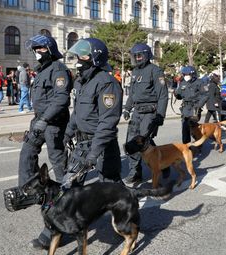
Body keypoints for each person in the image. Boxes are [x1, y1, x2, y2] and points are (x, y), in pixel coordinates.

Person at [19, 34, 72, 249]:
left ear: (49, 49)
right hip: (39, 121)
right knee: (27, 152)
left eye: (40, 48)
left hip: (54, 124)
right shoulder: (42, 71)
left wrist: (45, 120)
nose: (37, 52)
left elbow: (61, 99)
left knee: (60, 170)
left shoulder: (58, 70)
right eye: (35, 49)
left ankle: (60, 222)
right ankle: (28, 190)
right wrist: (38, 121)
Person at [62, 37, 123, 187]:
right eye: (78, 55)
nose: (78, 59)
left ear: (95, 58)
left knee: (111, 189)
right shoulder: (81, 81)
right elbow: (77, 113)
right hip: (82, 144)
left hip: (102, 145)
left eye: (82, 56)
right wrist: (67, 134)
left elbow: (108, 122)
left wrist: (94, 153)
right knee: (70, 186)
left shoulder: (107, 83)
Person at [122, 43, 168, 184]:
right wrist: (127, 108)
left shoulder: (155, 71)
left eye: (139, 55)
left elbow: (163, 95)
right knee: (133, 142)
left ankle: (163, 165)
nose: (137, 58)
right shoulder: (135, 71)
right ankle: (136, 172)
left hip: (150, 112)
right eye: (135, 56)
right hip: (137, 112)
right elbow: (133, 93)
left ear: (147, 55)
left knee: (142, 140)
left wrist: (160, 115)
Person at [174, 65, 208, 144]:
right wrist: (176, 94)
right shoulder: (183, 83)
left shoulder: (200, 82)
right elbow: (179, 95)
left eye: (188, 74)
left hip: (195, 107)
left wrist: (199, 105)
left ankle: (198, 143)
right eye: (185, 75)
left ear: (192, 74)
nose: (186, 76)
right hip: (185, 107)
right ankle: (186, 146)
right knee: (185, 127)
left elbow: (205, 95)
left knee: (194, 127)